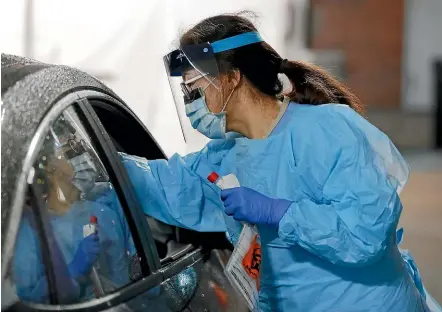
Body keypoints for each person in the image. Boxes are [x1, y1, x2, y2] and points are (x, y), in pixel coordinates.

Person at [117, 12, 442, 311]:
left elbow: (366, 236)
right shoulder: (228, 155)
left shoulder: (327, 132)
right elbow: (170, 186)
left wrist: (279, 212)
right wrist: (92, 165)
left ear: (230, 80)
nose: (190, 104)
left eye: (193, 88)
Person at [14, 120, 135, 303]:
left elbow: (129, 277)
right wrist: (73, 270)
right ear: (48, 168)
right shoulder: (29, 230)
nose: (80, 158)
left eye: (78, 146)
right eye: (68, 151)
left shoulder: (105, 208)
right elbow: (26, 301)